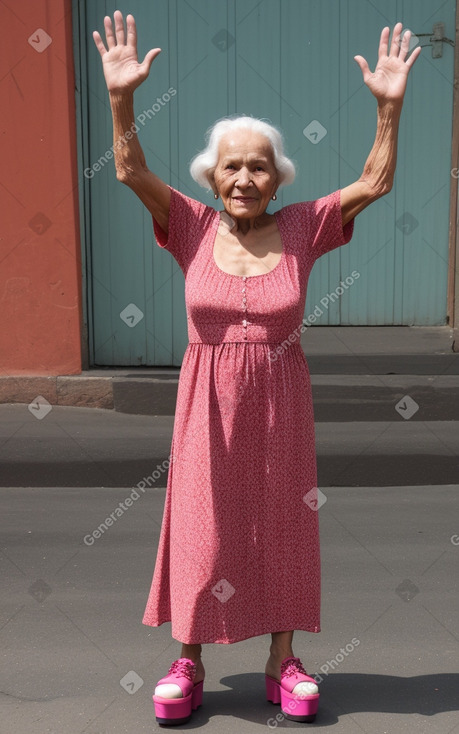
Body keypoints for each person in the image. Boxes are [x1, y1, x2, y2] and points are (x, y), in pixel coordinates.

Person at [93, 11, 420, 726]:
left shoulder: (304, 226)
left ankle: (283, 661)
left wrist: (388, 107)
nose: (244, 177)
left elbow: (374, 180)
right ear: (212, 176)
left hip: (280, 395)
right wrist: (121, 96)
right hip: (203, 398)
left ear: (277, 177)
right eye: (231, 165)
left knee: (281, 523)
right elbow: (127, 168)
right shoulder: (190, 225)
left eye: (258, 165)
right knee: (202, 526)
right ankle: (188, 659)